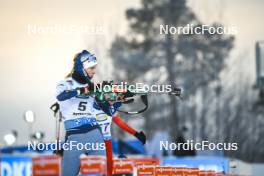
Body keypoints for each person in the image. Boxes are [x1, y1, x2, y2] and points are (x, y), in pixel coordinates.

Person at [55, 50, 118, 176]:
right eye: (91, 68)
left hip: (94, 135)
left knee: (99, 173)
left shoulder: (93, 86)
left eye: (94, 68)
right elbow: (61, 96)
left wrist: (116, 100)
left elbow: (108, 111)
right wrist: (83, 90)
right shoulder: (65, 83)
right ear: (82, 67)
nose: (94, 71)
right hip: (74, 137)